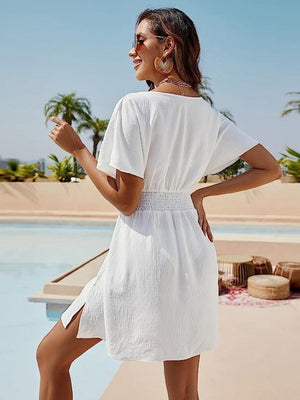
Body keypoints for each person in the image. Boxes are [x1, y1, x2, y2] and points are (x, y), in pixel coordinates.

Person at [37, 7, 282, 400]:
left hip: (142, 253)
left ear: (168, 46)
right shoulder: (207, 114)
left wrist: (79, 149)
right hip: (191, 251)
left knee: (50, 357)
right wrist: (198, 193)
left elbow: (127, 201)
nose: (131, 51)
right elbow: (271, 168)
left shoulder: (136, 106)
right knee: (184, 391)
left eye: (140, 41)